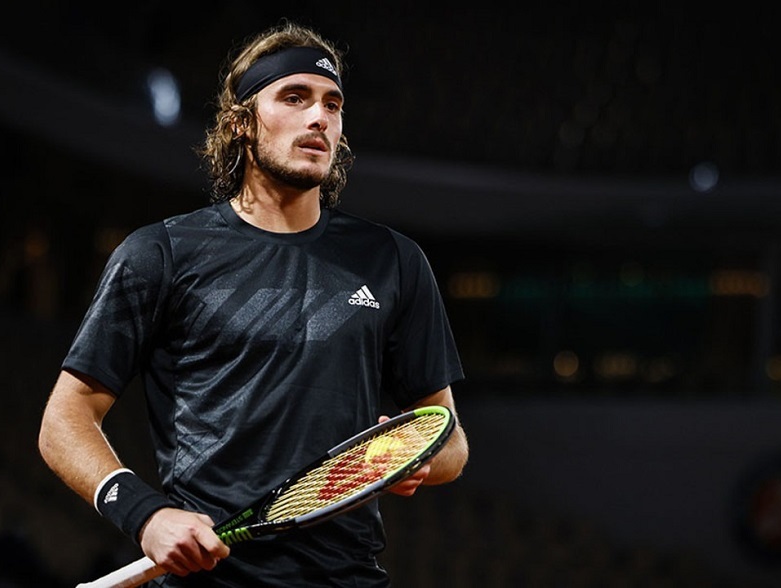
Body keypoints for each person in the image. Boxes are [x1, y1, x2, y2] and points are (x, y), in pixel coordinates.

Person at [38, 20, 469, 587]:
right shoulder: (160, 254)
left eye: (333, 104)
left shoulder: (393, 260)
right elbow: (64, 421)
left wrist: (417, 459)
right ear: (241, 122)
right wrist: (144, 514)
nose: (319, 118)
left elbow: (451, 440)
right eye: (295, 97)